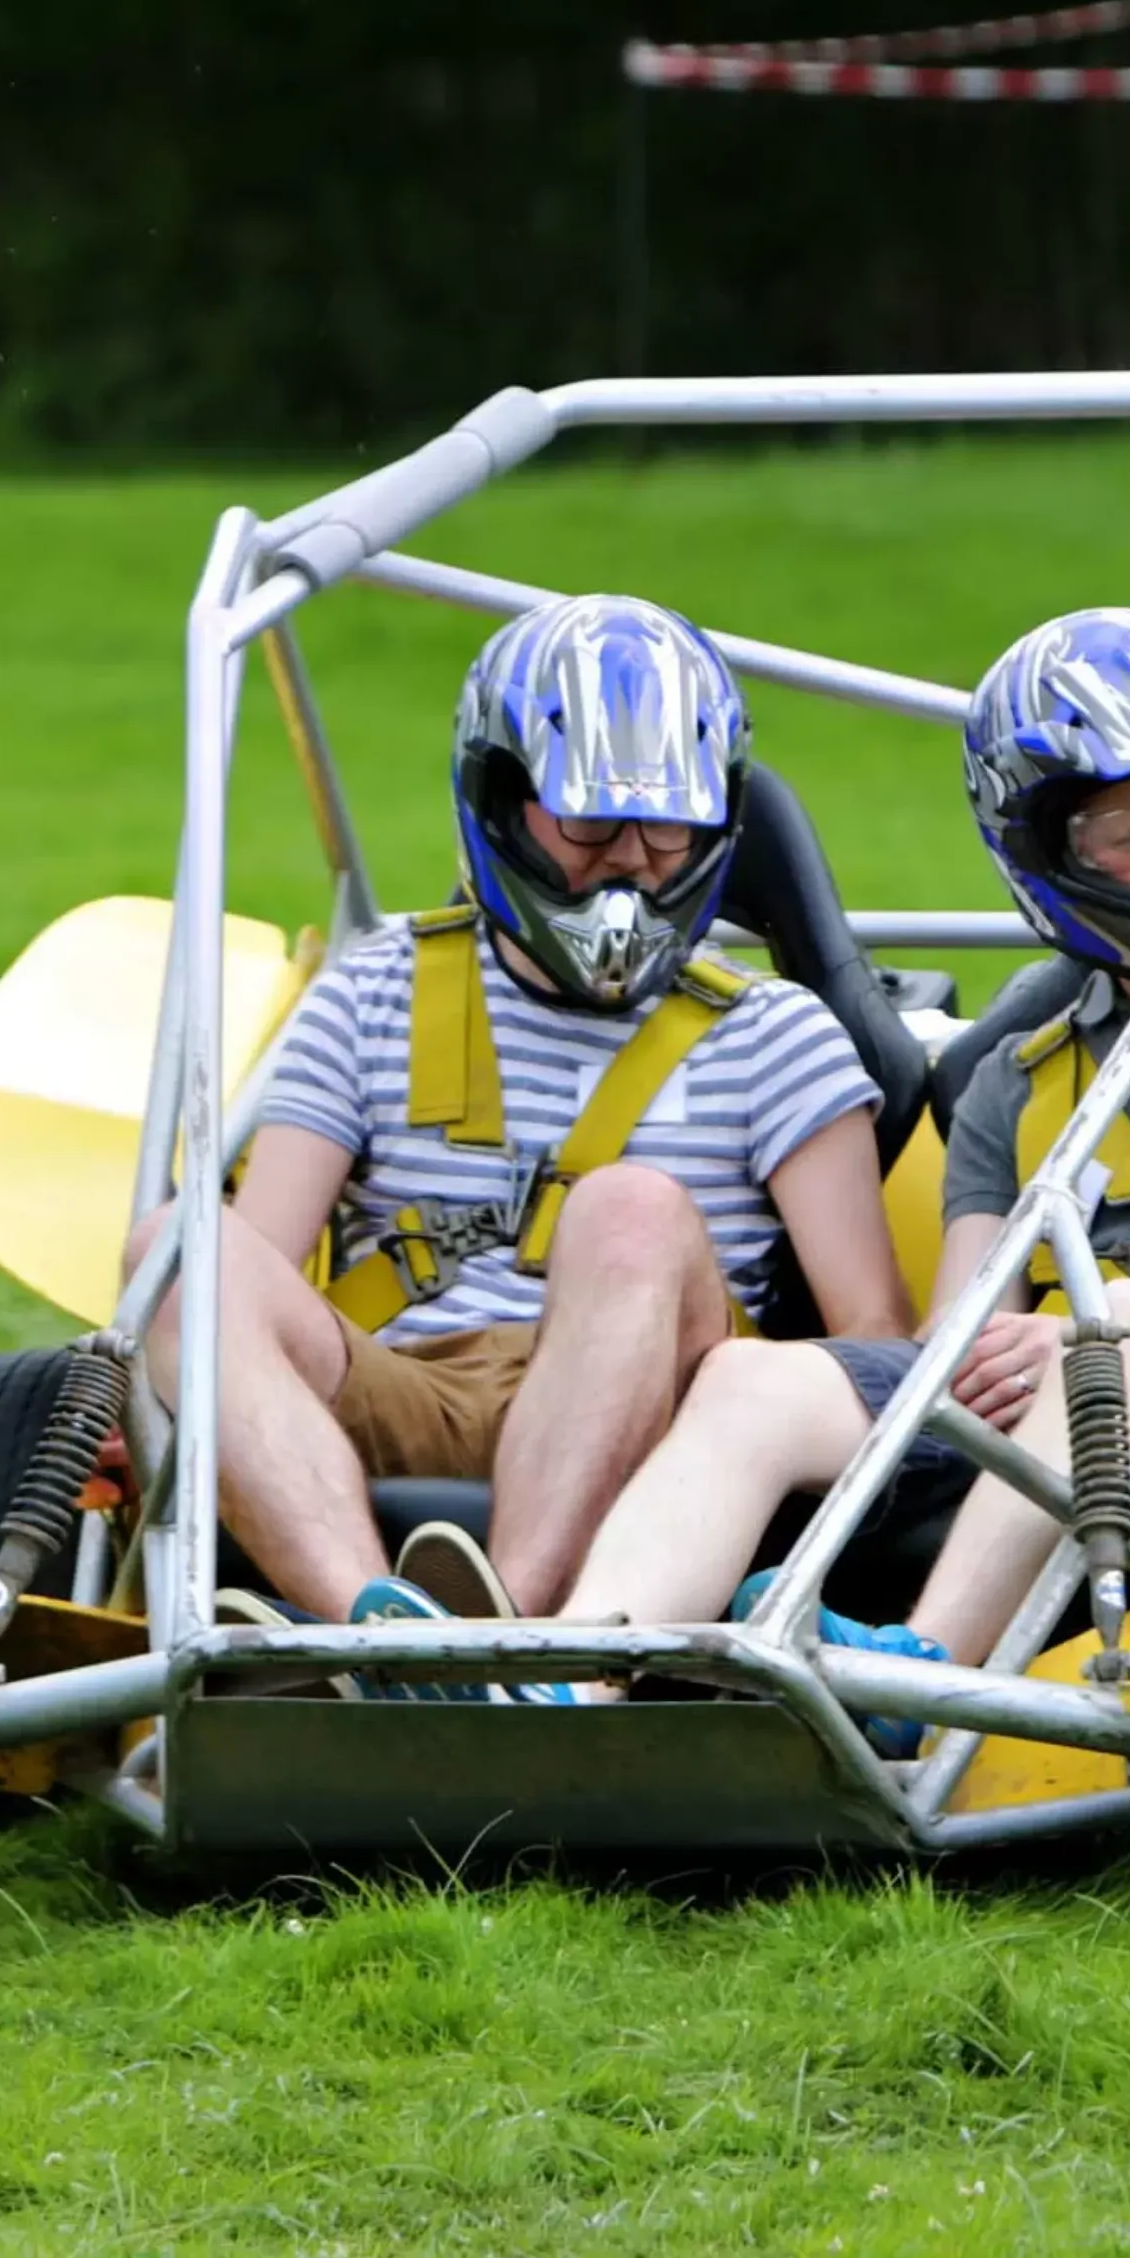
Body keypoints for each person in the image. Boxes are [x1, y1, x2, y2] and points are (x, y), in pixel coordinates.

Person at [558, 606, 1130, 1738]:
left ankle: (922, 1680)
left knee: (1117, 1331)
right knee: (756, 1381)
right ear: (1048, 860)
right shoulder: (1013, 1079)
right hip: (1067, 1398)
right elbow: (961, 1327)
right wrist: (1004, 1355)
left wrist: (1094, 1342)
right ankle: (575, 1674)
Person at [129, 593, 912, 1631]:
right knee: (179, 1246)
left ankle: (506, 1638)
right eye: (589, 821)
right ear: (500, 803)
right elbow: (252, 1273)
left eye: (667, 826)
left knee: (629, 1209)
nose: (630, 859)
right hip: (407, 1382)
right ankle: (373, 1631)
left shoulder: (778, 1034)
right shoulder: (373, 992)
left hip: (666, 1413)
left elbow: (874, 1340)